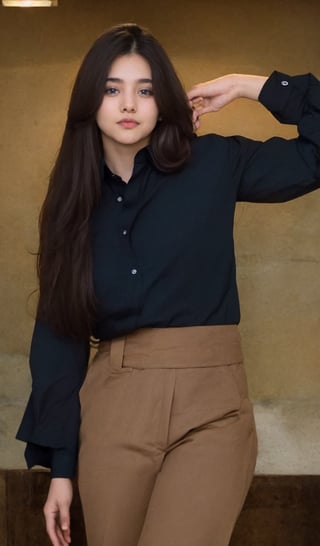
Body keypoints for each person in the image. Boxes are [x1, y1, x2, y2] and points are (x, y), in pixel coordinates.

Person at [16, 22, 320, 546]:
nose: (128, 104)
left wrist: (252, 86)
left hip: (214, 409)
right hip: (113, 408)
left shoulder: (216, 162)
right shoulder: (71, 205)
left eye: (146, 89)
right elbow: (59, 338)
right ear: (90, 100)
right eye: (112, 89)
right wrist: (61, 467)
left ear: (166, 101)